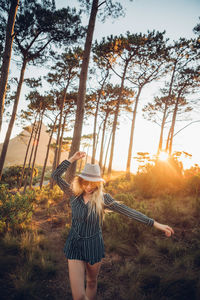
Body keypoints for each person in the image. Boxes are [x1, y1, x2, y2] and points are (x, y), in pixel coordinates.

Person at [51, 151, 174, 300]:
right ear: (81, 181)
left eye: (93, 183)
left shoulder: (103, 199)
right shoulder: (73, 194)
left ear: (98, 183)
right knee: (79, 297)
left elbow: (128, 212)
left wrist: (155, 223)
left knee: (91, 282)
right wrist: (72, 159)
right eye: (86, 182)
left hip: (94, 245)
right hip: (74, 244)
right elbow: (56, 175)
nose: (89, 186)